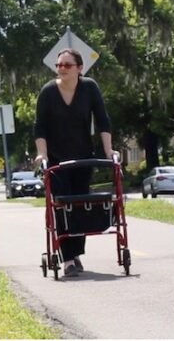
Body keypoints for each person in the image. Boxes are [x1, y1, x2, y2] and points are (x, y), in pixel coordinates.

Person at [34, 48, 118, 277]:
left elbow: (102, 120)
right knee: (62, 207)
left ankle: (76, 253)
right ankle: (68, 260)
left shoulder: (89, 88)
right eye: (59, 65)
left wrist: (108, 150)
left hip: (83, 157)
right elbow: (40, 127)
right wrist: (42, 154)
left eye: (67, 65)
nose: (62, 68)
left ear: (80, 68)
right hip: (57, 161)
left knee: (80, 208)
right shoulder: (48, 92)